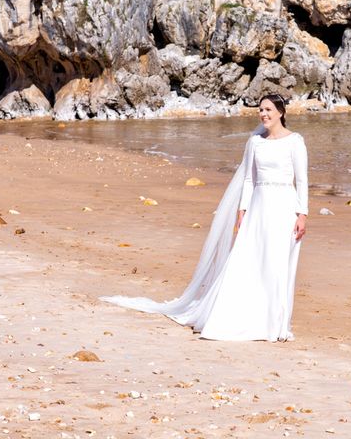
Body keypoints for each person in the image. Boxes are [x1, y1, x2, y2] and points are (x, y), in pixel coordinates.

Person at [101, 94, 308, 342]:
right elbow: (249, 180)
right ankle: (246, 318)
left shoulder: (295, 142)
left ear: (281, 112)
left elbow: (302, 179)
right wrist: (242, 211)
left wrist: (302, 213)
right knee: (250, 261)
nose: (263, 114)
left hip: (284, 207)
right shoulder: (255, 142)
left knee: (277, 264)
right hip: (258, 207)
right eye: (260, 110)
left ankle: (276, 324)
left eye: (268, 110)